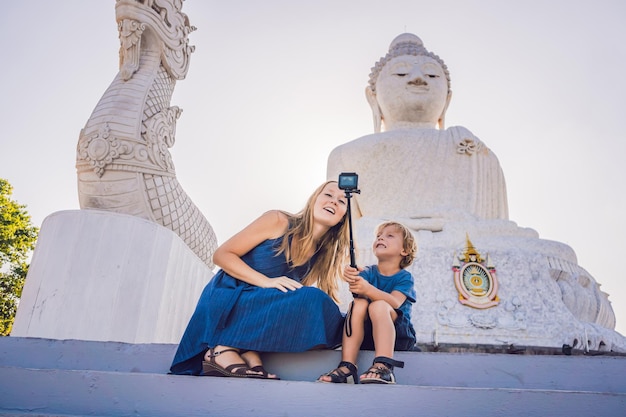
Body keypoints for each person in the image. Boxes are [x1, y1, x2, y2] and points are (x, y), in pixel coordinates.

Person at [327, 33, 508, 232]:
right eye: (401, 73)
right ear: (373, 97)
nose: (418, 78)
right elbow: (342, 238)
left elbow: (497, 231)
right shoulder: (347, 154)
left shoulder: (474, 152)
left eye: (432, 75)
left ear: (447, 99)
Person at [170, 181, 351, 379]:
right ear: (314, 199)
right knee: (314, 299)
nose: (333, 202)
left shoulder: (320, 256)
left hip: (261, 305)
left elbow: (289, 304)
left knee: (335, 317)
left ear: (344, 216)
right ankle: (221, 350)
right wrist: (266, 281)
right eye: (328, 195)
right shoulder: (278, 220)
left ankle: (249, 350)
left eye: (342, 201)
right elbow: (221, 255)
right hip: (230, 296)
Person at [318, 221, 417, 384]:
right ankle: (347, 366)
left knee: (378, 305)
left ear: (404, 250)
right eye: (378, 236)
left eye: (389, 235)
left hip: (398, 336)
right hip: (367, 336)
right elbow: (358, 292)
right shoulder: (368, 272)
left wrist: (368, 289)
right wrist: (351, 275)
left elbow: (395, 302)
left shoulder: (404, 277)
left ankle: (383, 365)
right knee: (358, 304)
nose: (381, 238)